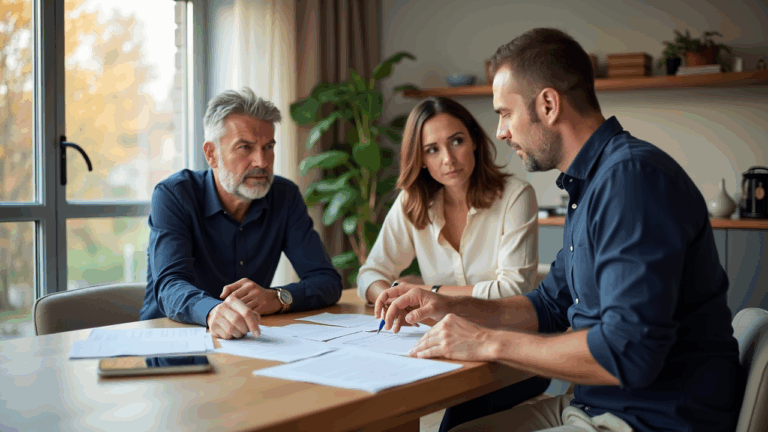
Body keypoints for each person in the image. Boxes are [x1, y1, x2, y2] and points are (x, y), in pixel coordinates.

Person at [376, 28, 745, 432]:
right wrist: (447, 305)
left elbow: (627, 353)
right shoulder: (589, 184)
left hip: (651, 419)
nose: (500, 132)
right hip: (594, 405)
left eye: (504, 113)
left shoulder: (631, 181)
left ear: (548, 104)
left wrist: (485, 340)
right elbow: (548, 307)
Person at [357, 96, 549, 432]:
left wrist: (427, 292)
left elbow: (513, 290)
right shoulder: (413, 202)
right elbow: (371, 273)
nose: (448, 159)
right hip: (448, 348)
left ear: (474, 141)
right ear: (420, 159)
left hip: (512, 351)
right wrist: (390, 296)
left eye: (456, 141)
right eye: (432, 149)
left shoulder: (516, 196)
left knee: (455, 424)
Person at [141, 87, 343, 340]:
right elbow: (169, 287)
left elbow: (327, 281)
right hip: (170, 339)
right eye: (245, 147)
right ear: (211, 154)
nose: (262, 161)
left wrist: (278, 297)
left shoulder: (284, 195)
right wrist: (212, 311)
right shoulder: (174, 195)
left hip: (247, 341)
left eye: (268, 147)